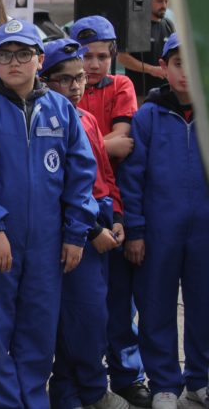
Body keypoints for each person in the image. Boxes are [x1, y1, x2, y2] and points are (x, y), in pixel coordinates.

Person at [0, 19, 97, 409]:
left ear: (39, 60)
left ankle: (33, 401)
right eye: (4, 54)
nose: (13, 62)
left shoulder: (61, 111)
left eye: (22, 54)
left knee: (38, 328)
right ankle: (0, 403)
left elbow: (81, 175)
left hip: (47, 242)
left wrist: (75, 234)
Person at [118, 33, 209, 409]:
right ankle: (164, 385)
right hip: (158, 233)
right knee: (155, 308)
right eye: (177, 63)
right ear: (164, 67)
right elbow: (132, 179)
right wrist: (136, 231)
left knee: (204, 307)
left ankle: (200, 380)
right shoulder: (147, 117)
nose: (186, 71)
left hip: (204, 234)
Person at [39, 39, 130, 409]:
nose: (76, 86)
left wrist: (119, 216)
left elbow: (105, 177)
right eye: (64, 79)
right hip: (77, 229)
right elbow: (59, 187)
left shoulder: (88, 120)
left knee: (95, 313)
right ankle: (91, 388)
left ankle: (69, 392)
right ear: (46, 81)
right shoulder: (47, 123)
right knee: (82, 316)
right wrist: (91, 231)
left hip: (103, 219)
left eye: (79, 79)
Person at [70, 16, 150, 408]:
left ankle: (128, 375)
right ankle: (89, 379)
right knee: (85, 307)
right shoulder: (66, 89)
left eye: (102, 55)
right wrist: (104, 144)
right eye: (85, 56)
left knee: (120, 303)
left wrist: (84, 143)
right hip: (77, 209)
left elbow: (126, 140)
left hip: (114, 206)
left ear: (114, 55)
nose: (93, 65)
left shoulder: (122, 85)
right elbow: (113, 144)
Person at [117, 0, 175, 100]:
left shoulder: (168, 24)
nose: (164, 5)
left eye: (166, 1)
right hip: (139, 94)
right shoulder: (135, 25)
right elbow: (122, 57)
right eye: (159, 1)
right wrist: (152, 70)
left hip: (165, 92)